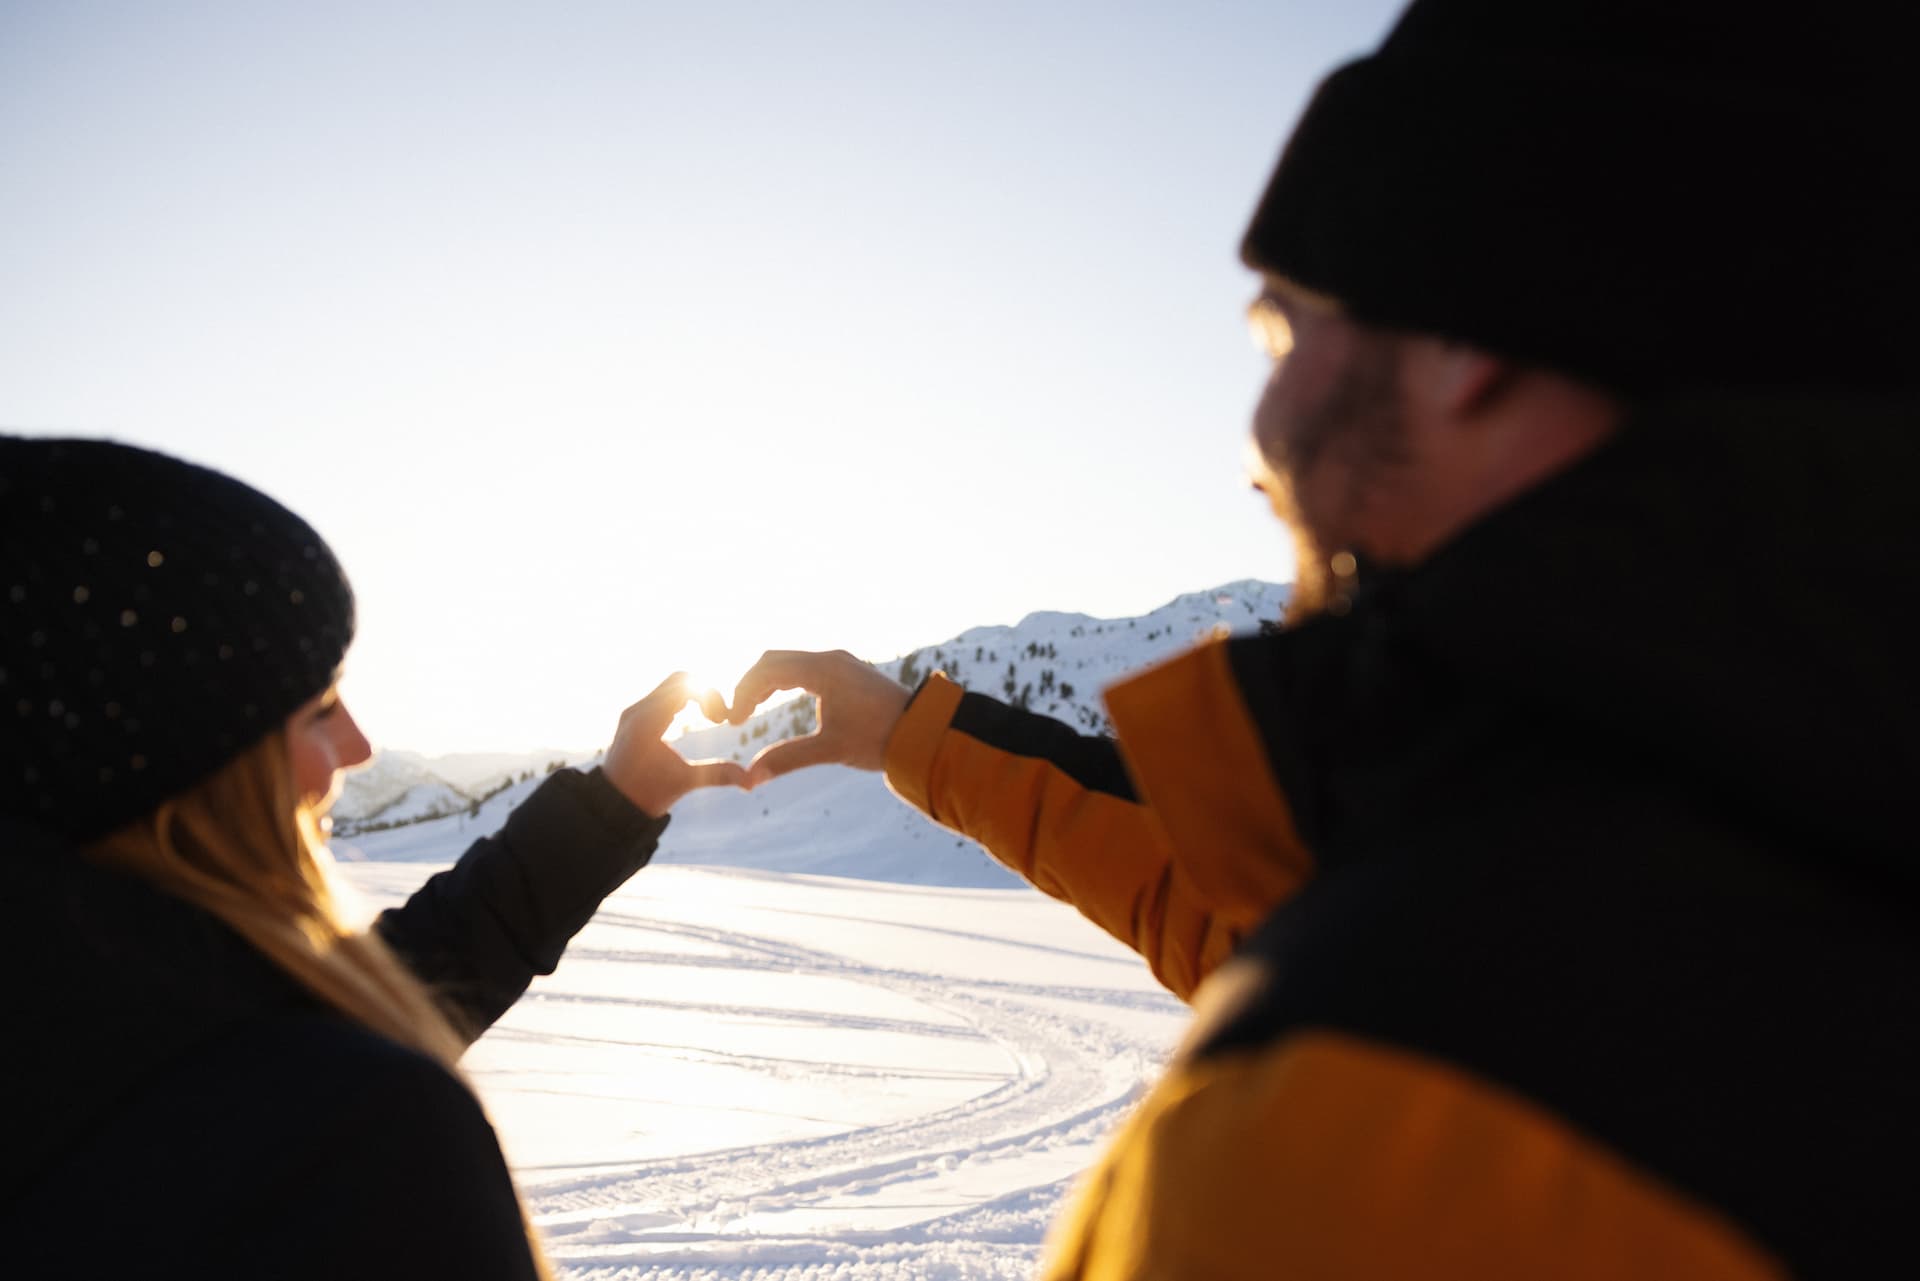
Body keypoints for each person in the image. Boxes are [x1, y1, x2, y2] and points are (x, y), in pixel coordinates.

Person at [721, 2, 1919, 1277]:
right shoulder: (1749, 804)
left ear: (1469, 335)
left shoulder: (1376, 1120)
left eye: (1284, 326)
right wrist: (913, 735)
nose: (1258, 434)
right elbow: (1253, 911)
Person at [0, 436, 745, 1278]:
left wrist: (614, 803)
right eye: (318, 707)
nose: (357, 745)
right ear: (163, 754)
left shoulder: (88, 1030)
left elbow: (352, 997)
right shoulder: (353, 1147)